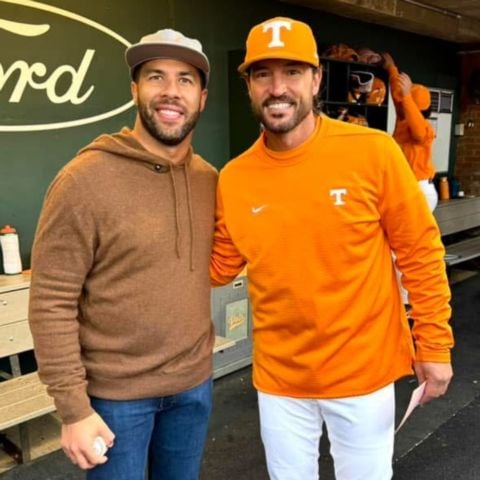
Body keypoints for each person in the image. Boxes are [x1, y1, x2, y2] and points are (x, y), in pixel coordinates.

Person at [210, 17, 454, 480]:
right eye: (263, 74)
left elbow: (420, 252)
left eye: (292, 72)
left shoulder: (373, 152)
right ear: (248, 85)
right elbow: (219, 267)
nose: (277, 87)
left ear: (317, 78)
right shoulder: (235, 177)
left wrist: (434, 344)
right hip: (281, 381)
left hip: (363, 373)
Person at [28, 28, 217, 480]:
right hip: (115, 401)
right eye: (156, 76)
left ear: (202, 98)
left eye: (185, 80)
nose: (171, 91)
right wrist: (72, 408)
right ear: (135, 89)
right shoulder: (83, 180)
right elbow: (51, 299)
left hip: (194, 389)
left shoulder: (210, 181)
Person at [383, 52, 438, 211]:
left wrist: (407, 96)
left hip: (420, 190)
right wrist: (391, 69)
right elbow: (397, 95)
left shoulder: (425, 129)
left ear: (413, 108)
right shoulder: (403, 120)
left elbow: (418, 132)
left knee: (412, 235)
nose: (400, 105)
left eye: (405, 103)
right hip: (406, 186)